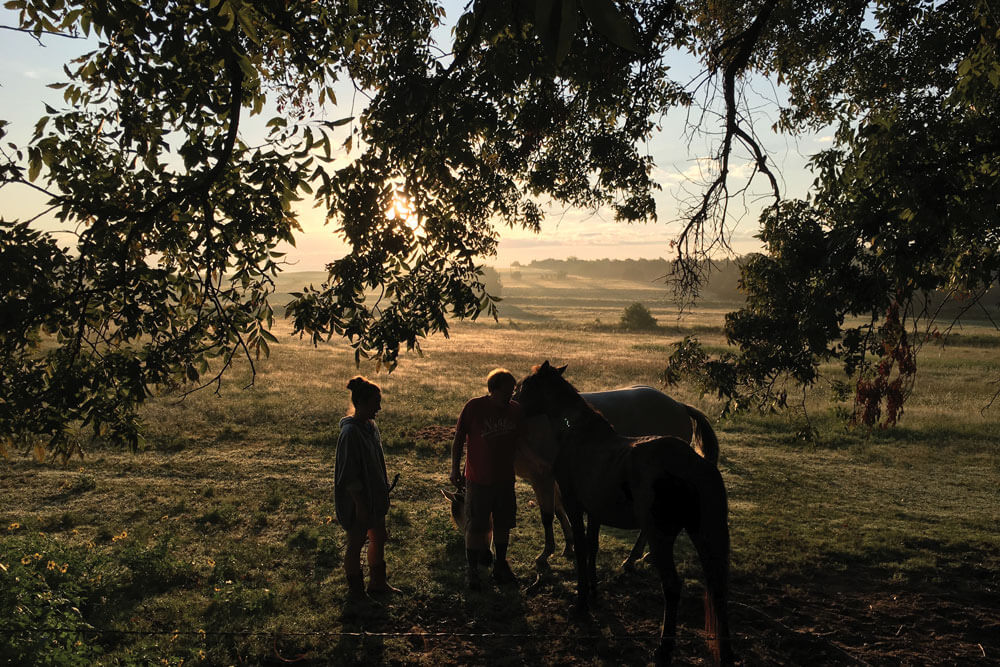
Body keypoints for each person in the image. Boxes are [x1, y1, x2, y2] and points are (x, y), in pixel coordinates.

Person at [450, 368, 523, 589]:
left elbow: (523, 441)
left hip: (505, 479)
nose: (510, 396)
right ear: (492, 390)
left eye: (512, 391)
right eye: (506, 392)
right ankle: (472, 571)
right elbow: (458, 439)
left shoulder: (515, 411)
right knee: (476, 526)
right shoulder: (474, 407)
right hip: (478, 479)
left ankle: (500, 565)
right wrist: (455, 470)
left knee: (503, 524)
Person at [335, 376, 400, 601]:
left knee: (378, 537)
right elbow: (349, 475)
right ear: (361, 403)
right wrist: (360, 506)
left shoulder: (370, 427)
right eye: (375, 402)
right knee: (355, 542)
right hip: (358, 503)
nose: (379, 407)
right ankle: (356, 592)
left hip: (375, 499)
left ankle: (378, 583)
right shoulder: (350, 433)